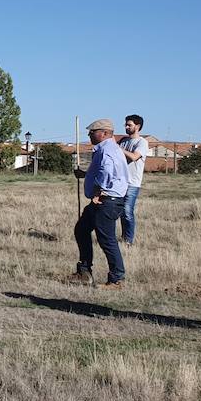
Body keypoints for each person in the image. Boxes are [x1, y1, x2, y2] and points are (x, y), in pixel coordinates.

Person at [68, 119, 130, 288]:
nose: (89, 135)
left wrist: (99, 191)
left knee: (107, 240)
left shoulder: (107, 150)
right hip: (105, 199)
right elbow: (105, 171)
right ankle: (84, 272)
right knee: (81, 229)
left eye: (92, 132)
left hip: (106, 200)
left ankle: (117, 279)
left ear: (104, 133)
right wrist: (85, 175)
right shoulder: (106, 149)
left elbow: (107, 172)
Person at [116, 114, 149, 245]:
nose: (126, 127)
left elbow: (134, 157)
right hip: (120, 182)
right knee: (119, 211)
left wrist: (119, 149)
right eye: (126, 124)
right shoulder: (123, 141)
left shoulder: (142, 142)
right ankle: (123, 238)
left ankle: (128, 241)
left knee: (127, 211)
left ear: (138, 126)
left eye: (129, 125)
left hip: (132, 183)